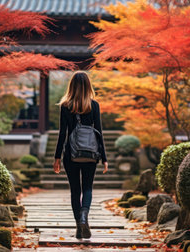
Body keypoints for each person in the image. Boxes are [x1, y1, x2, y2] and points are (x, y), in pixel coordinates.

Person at [53, 71, 108, 239]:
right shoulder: (94, 105)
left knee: (75, 190)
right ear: (88, 86)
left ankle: (79, 224)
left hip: (71, 154)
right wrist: (104, 158)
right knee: (88, 188)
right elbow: (99, 132)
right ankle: (84, 216)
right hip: (90, 154)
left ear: (72, 86)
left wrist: (57, 158)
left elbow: (63, 133)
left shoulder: (65, 106)